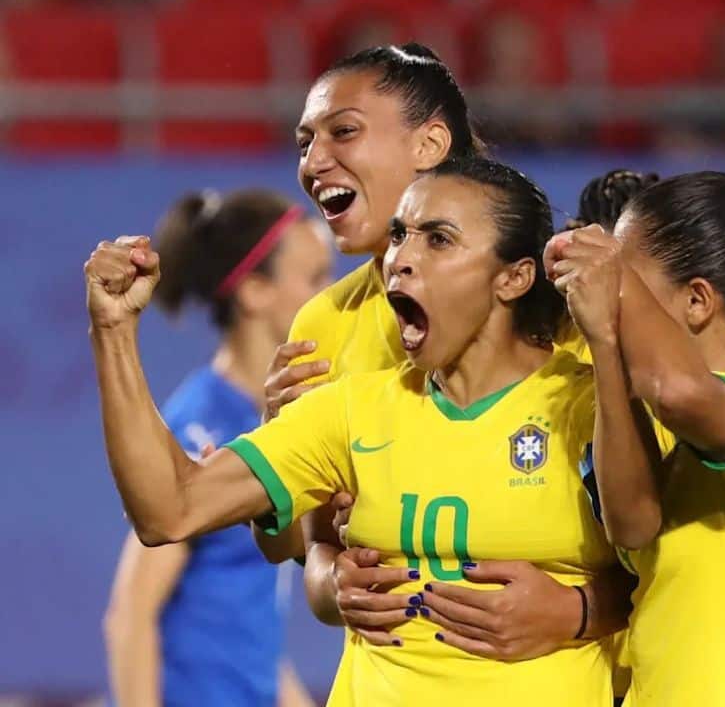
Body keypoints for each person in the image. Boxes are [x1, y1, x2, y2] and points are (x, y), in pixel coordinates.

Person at [84, 158, 630, 704]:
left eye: (438, 240)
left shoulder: (589, 404)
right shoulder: (350, 409)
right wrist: (113, 331)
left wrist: (580, 610)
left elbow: (687, 568)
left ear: (513, 277)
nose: (401, 260)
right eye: (399, 236)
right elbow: (170, 508)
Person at [543, 171, 725, 706]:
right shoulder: (668, 430)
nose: (613, 292)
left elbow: (675, 387)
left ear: (697, 301)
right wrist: (605, 344)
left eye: (627, 279)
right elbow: (632, 524)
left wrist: (611, 274)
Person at [101, 189, 331, 707]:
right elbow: (130, 615)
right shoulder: (198, 425)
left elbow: (252, 634)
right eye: (315, 279)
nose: (332, 294)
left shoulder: (270, 422)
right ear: (254, 292)